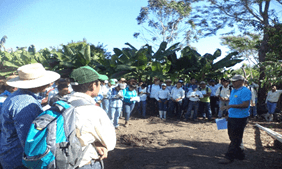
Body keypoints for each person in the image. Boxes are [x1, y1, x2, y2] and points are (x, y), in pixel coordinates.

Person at [0, 63, 60, 169]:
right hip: (19, 161)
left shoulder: (16, 96)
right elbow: (30, 140)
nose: (49, 84)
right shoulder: (26, 103)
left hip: (9, 155)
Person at [66, 65, 116, 168]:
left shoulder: (61, 103)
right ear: (93, 85)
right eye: (99, 83)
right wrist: (97, 142)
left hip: (61, 161)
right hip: (83, 163)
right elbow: (109, 142)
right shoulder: (94, 111)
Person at [219, 75, 251, 164]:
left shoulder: (245, 91)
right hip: (232, 116)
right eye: (232, 81)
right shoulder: (233, 91)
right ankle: (240, 154)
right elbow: (232, 102)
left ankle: (229, 157)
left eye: (235, 81)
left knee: (235, 137)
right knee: (232, 136)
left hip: (241, 118)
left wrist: (230, 106)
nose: (233, 83)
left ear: (241, 81)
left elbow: (245, 105)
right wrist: (228, 114)